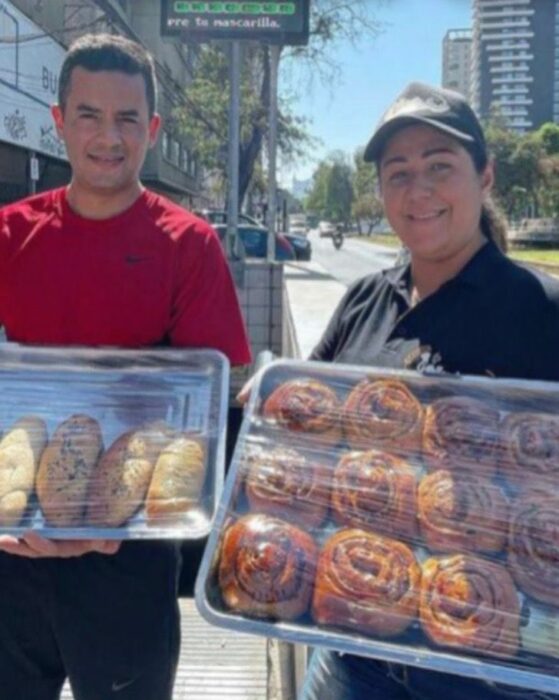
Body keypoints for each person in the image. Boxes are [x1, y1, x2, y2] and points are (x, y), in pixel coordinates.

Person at [0, 34, 251, 700]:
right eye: (88, 115)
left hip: (130, 553)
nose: (107, 137)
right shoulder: (10, 233)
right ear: (59, 122)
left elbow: (209, 404)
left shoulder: (188, 245)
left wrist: (102, 530)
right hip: (11, 548)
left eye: (127, 119)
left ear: (153, 129)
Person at [299, 82, 559, 700]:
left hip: (494, 673)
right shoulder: (364, 300)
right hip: (353, 657)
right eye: (398, 173)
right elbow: (305, 427)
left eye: (440, 167)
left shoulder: (543, 309)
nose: (418, 191)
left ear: (485, 176)